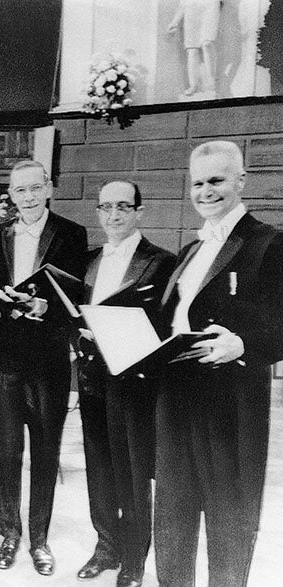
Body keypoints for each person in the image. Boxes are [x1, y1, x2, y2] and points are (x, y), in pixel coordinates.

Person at [154, 141, 283, 586]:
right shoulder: (190, 250)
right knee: (172, 515)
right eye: (198, 183)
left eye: (217, 181)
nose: (206, 192)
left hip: (229, 402)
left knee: (230, 519)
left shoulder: (269, 243)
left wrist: (244, 343)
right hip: (175, 397)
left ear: (241, 181)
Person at [0, 160, 87, 575]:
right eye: (19, 191)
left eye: (33, 189)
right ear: (12, 193)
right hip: (4, 358)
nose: (26, 198)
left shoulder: (71, 234)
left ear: (48, 189)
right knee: (8, 450)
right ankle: (10, 533)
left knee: (45, 452)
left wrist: (47, 307)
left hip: (48, 359)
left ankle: (39, 540)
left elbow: (75, 298)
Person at [75, 181, 175, 587]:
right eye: (104, 208)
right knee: (98, 468)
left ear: (139, 210)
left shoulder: (161, 262)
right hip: (91, 375)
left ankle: (133, 561)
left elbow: (165, 326)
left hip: (133, 380)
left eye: (122, 207)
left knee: (132, 473)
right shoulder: (89, 260)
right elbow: (75, 312)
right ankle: (105, 547)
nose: (112, 216)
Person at [168, 0, 222, 96]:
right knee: (192, 50)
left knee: (207, 43)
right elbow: (182, 5)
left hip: (210, 6)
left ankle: (211, 81)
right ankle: (193, 85)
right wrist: (174, 22)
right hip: (191, 7)